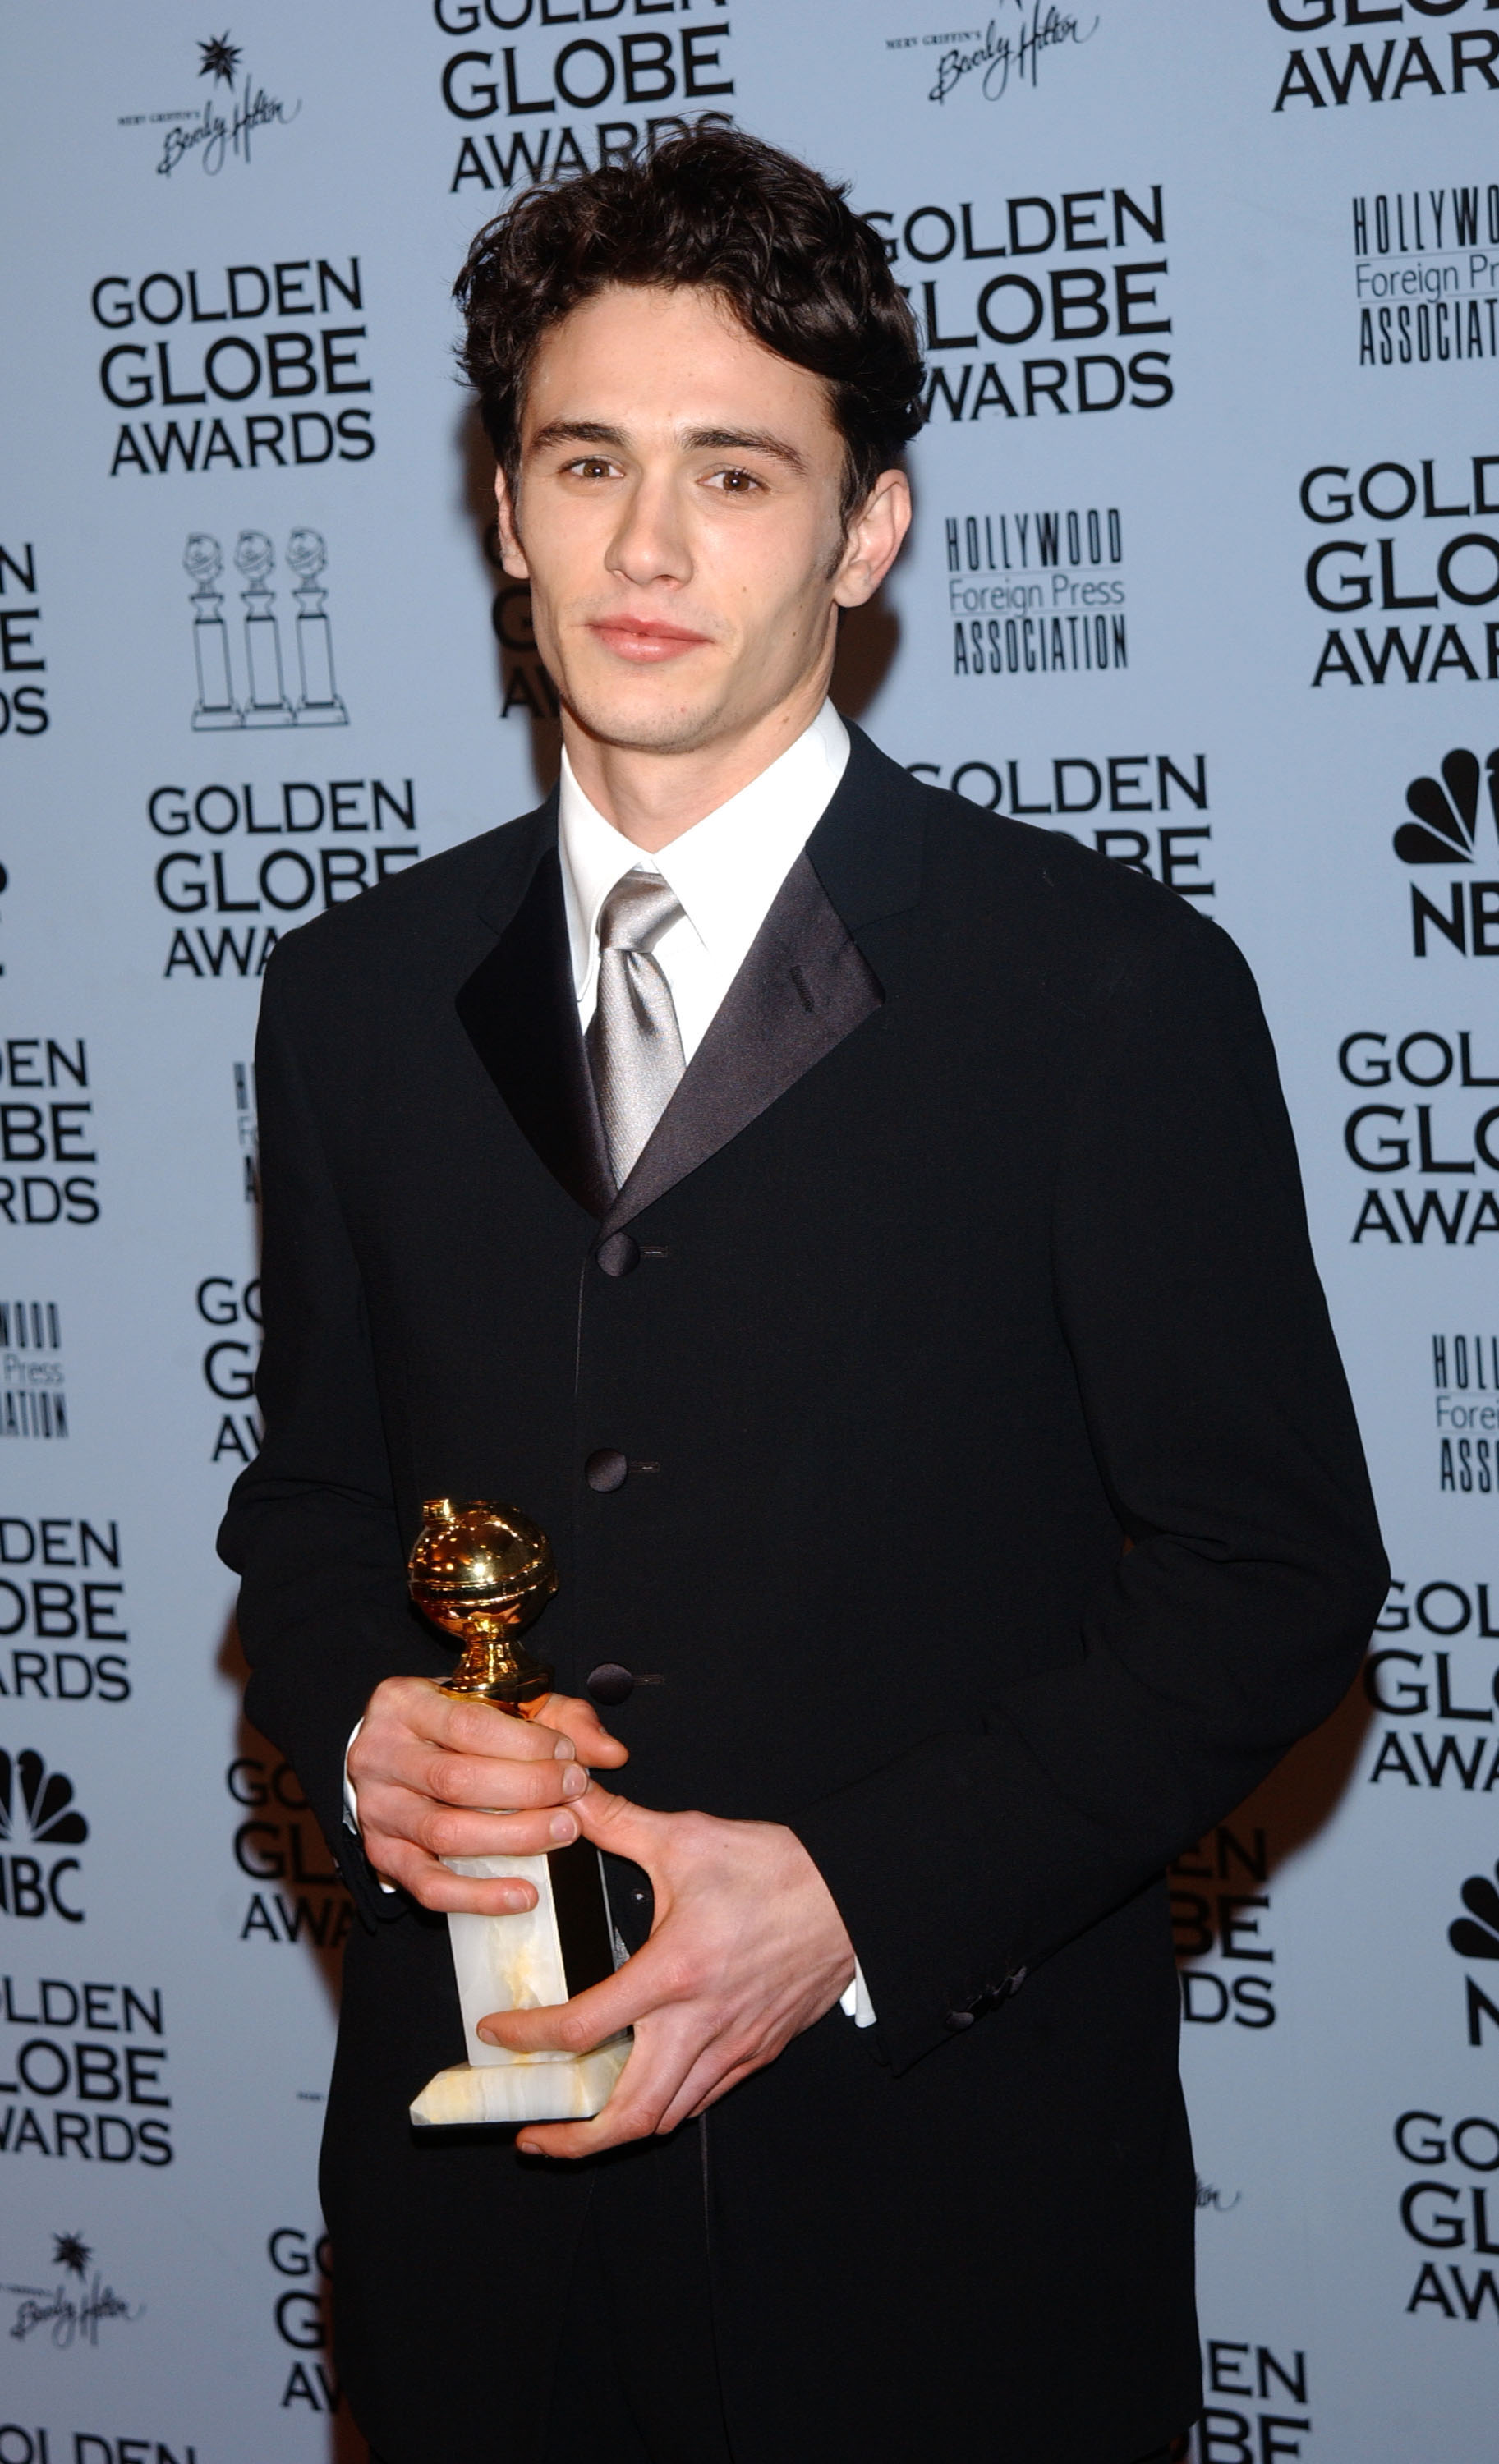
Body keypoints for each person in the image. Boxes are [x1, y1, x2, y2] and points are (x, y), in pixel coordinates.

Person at [218, 126, 1386, 2464]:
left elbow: (1270, 1585)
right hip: (477, 2221)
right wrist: (372, 1720)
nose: (647, 548)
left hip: (938, 2220)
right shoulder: (349, 996)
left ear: (863, 534)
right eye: (588, 461)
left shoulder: (1102, 991)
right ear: (506, 509)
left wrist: (848, 1902)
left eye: (734, 473)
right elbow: (321, 1508)